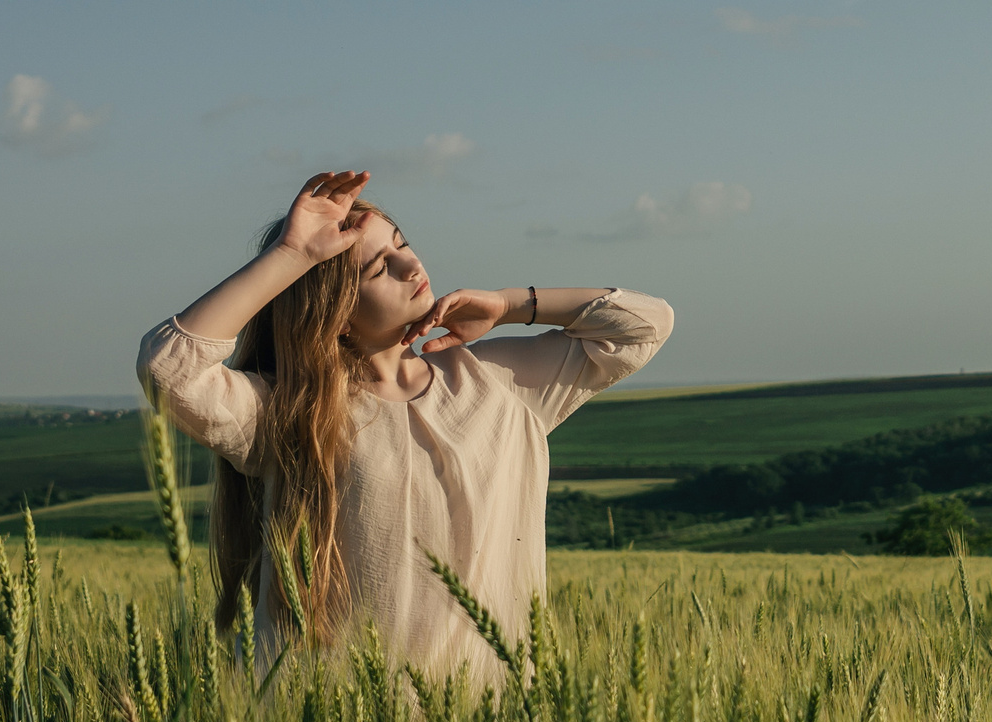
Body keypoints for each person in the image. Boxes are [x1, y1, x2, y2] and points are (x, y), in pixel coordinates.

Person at [136, 169, 673, 683]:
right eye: (378, 269)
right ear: (335, 313)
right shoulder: (292, 414)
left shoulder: (500, 384)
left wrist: (510, 304)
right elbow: (171, 368)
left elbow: (645, 325)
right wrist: (292, 256)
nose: (411, 266)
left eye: (401, 244)